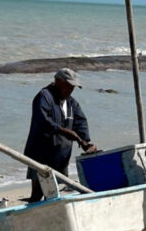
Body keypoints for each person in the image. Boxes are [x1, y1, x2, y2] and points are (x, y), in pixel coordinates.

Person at [23, 68, 97, 202]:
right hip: (42, 154)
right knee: (37, 194)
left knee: (52, 195)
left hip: (60, 155)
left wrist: (85, 142)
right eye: (67, 87)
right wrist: (64, 131)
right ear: (58, 81)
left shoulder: (71, 102)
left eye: (72, 88)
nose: (70, 90)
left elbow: (80, 122)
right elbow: (43, 121)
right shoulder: (44, 96)